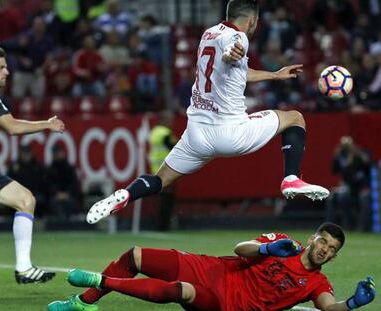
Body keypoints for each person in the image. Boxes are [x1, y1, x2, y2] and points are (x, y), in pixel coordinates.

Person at [86, 0, 330, 224]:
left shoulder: (208, 33)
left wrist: (274, 74)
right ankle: (291, 179)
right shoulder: (239, 38)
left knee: (160, 180)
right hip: (231, 132)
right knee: (295, 118)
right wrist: (232, 51)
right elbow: (231, 52)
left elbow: (232, 69)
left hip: (197, 135)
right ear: (252, 20)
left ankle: (125, 194)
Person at [47, 222, 376, 310]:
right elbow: (240, 249)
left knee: (183, 292)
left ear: (333, 257)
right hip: (215, 269)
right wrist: (266, 248)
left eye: (331, 250)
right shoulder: (285, 243)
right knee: (134, 255)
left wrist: (352, 303)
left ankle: (101, 282)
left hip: (229, 304)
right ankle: (84, 304)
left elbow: (328, 308)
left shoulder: (318, 284)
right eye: (323, 242)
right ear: (313, 238)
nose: (324, 250)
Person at [0, 45, 65, 283]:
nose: (7, 72)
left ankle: (24, 268)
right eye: (0, 67)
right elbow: (11, 127)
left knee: (25, 200)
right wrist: (47, 124)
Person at [328, 136, 372, 231]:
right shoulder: (340, 156)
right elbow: (334, 170)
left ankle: (362, 227)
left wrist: (356, 156)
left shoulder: (359, 154)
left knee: (365, 200)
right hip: (347, 187)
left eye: (348, 145)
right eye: (344, 146)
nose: (346, 148)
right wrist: (336, 157)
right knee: (341, 198)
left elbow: (367, 165)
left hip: (361, 187)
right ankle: (346, 225)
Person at [148, 111, 178, 231]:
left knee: (162, 199)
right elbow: (175, 147)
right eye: (168, 119)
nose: (171, 122)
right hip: (166, 170)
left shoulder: (154, 132)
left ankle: (160, 224)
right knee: (167, 199)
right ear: (163, 120)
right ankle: (164, 225)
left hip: (156, 168)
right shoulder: (164, 133)